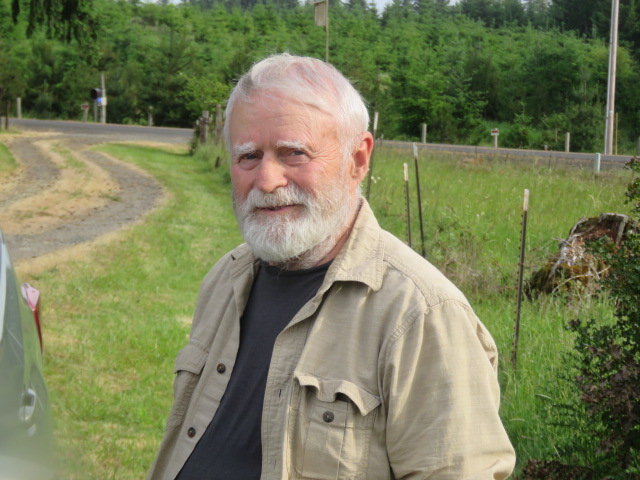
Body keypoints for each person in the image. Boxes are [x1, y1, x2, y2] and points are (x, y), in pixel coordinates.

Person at [147, 53, 515, 480]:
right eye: (248, 156)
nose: (267, 180)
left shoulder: (421, 315)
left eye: (294, 154)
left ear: (358, 159)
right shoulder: (224, 280)